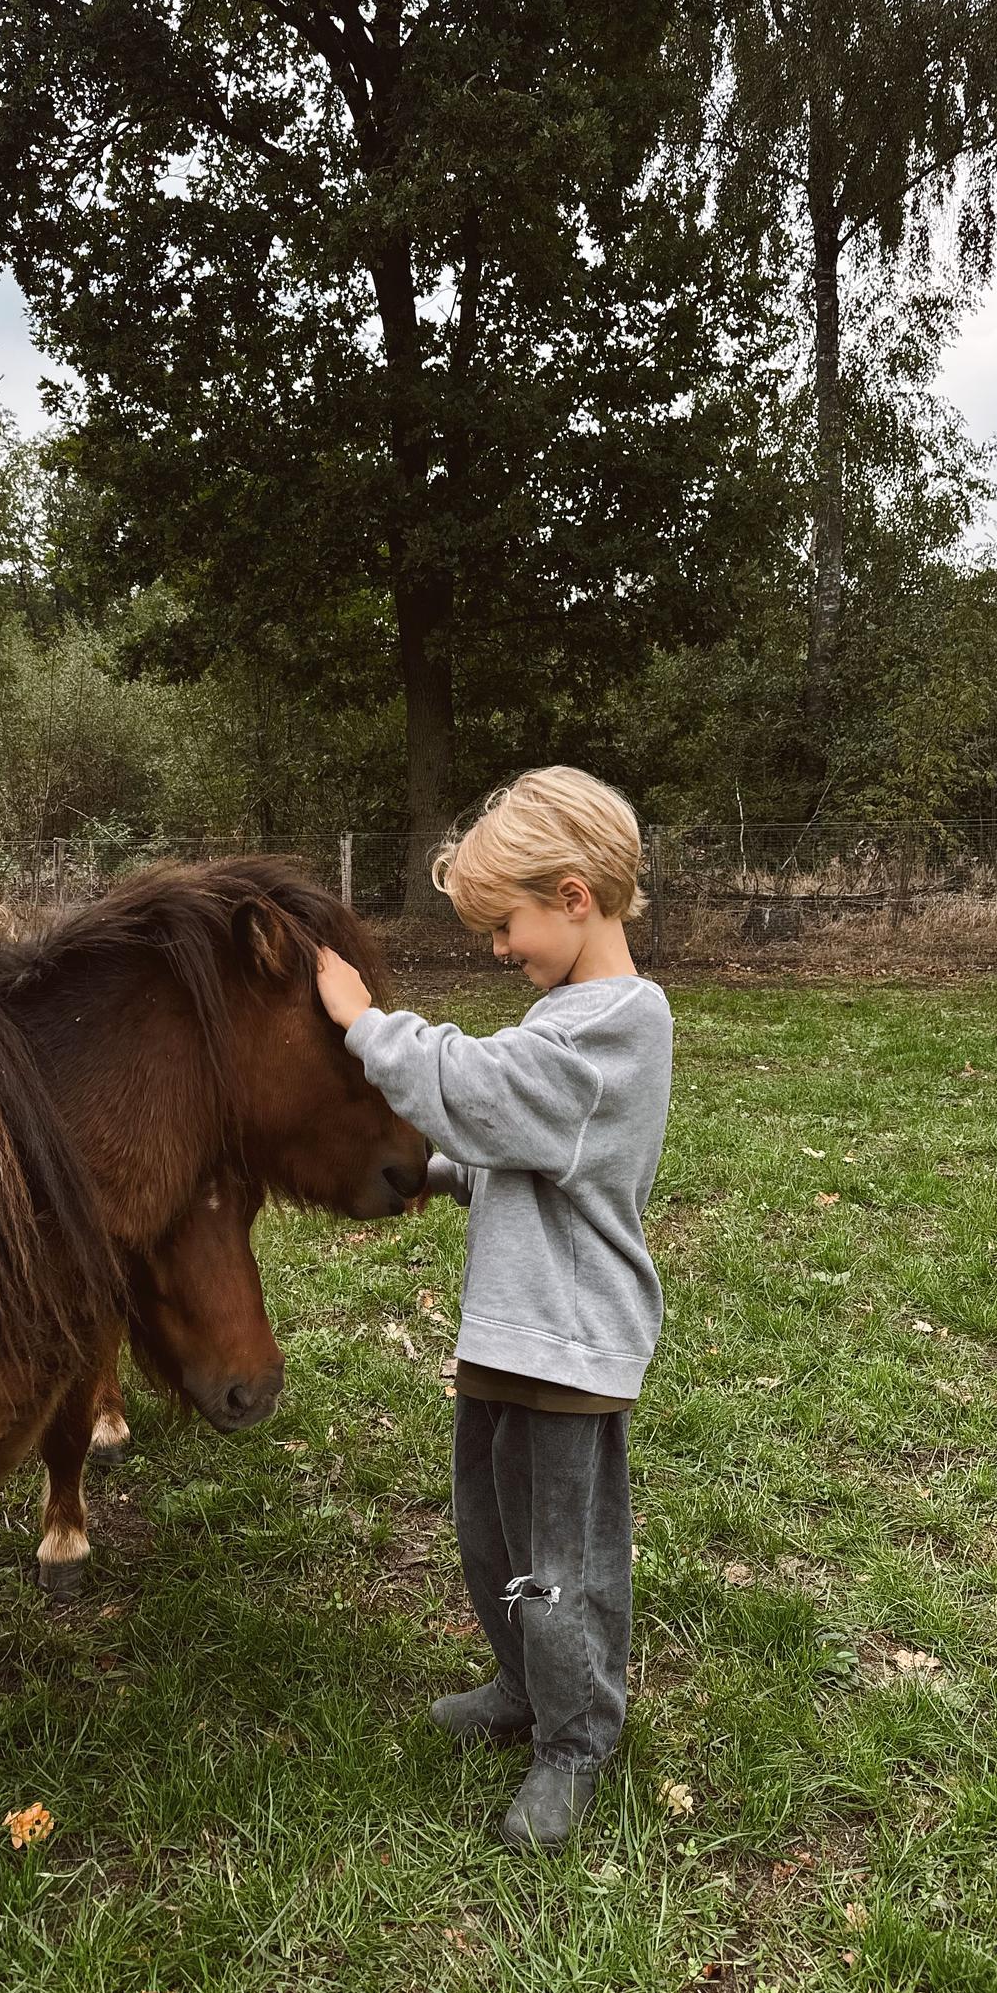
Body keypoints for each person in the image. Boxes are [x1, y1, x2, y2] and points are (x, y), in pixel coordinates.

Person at [315, 767, 673, 1851]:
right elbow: (527, 1158)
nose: (495, 948)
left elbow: (477, 1088)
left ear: (573, 895)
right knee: (491, 1535)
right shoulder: (568, 1014)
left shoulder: (617, 1022)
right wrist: (433, 1175)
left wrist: (363, 1021)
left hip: (570, 1348)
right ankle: (522, 1688)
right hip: (511, 1338)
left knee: (563, 1564)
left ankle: (574, 1742)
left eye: (502, 924)